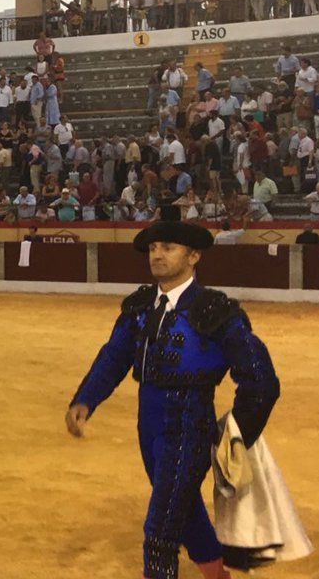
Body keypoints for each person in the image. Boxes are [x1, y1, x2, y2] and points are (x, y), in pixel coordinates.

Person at [65, 220, 279, 579]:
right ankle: (217, 574)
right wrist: (85, 399)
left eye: (168, 247)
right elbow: (115, 355)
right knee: (184, 508)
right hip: (147, 422)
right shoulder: (140, 306)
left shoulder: (215, 311)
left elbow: (261, 380)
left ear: (194, 256)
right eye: (153, 248)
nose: (157, 255)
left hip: (189, 425)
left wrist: (234, 433)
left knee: (161, 527)